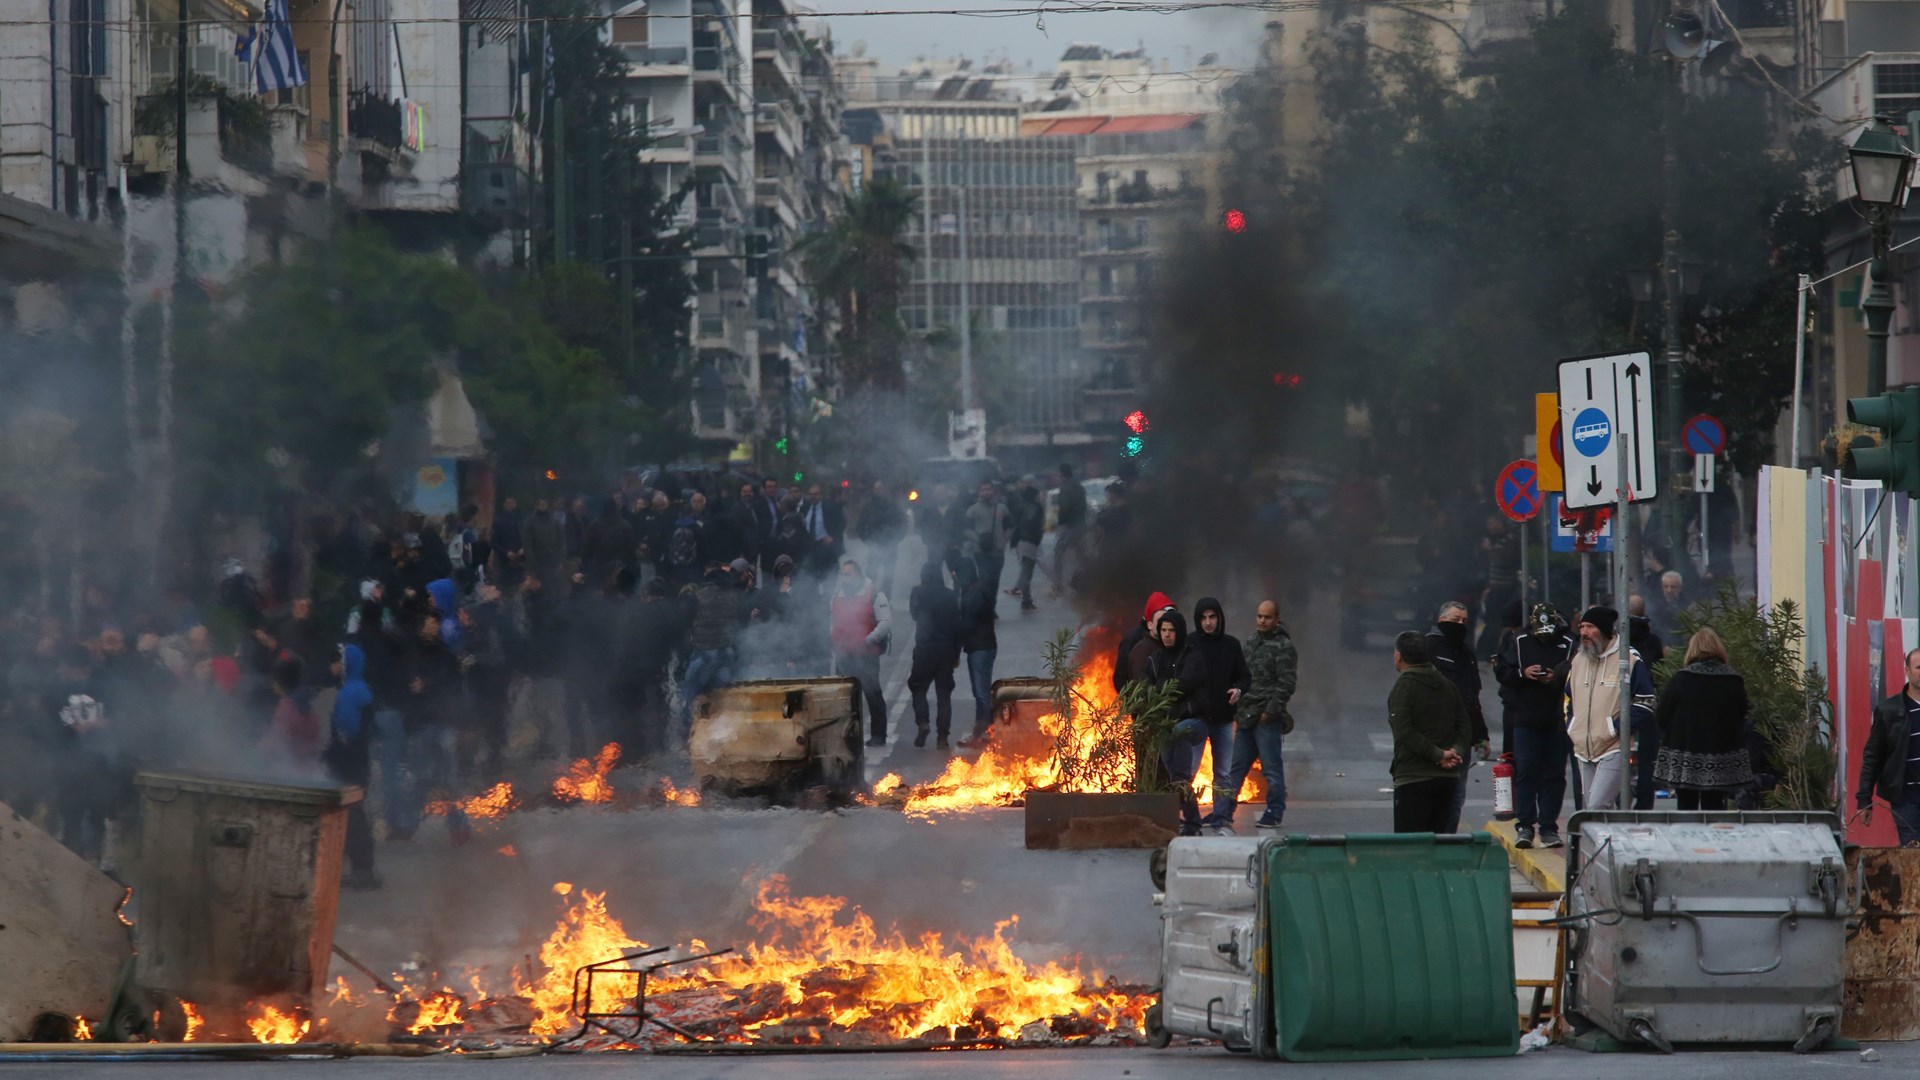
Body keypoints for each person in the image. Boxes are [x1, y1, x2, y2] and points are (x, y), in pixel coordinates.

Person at [1494, 604, 1574, 848]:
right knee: (1527, 770)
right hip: (1525, 718)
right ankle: (1525, 825)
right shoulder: (1517, 640)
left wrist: (1556, 677)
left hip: (1557, 719)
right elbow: (1501, 671)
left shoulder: (1569, 642)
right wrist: (1522, 673)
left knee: (1554, 774)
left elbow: (1577, 672)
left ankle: (1549, 826)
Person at [1563, 606, 1656, 812]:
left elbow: (1646, 702)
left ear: (1604, 630)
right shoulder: (1579, 660)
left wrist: (1614, 727)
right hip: (1582, 748)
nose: (1584, 632)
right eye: (1582, 627)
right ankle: (1611, 843)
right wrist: (1572, 726)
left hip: (1614, 747)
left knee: (1597, 806)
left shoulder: (1628, 658)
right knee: (1595, 809)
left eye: (1590, 627)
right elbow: (1568, 698)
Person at [1652, 628, 1754, 811]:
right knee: (1714, 805)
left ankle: (1686, 838)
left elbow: (1662, 715)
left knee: (1685, 805)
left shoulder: (1681, 679)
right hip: (1721, 755)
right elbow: (1742, 715)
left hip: (1684, 754)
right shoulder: (1733, 680)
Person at [1217, 600, 1296, 831]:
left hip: (1266, 719)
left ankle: (1274, 812)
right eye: (1260, 616)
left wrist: (1270, 712)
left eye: (1267, 617)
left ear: (1277, 618)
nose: (1262, 621)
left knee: (1271, 769)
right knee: (1236, 769)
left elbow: (1286, 684)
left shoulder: (1284, 647)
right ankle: (1224, 812)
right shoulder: (1251, 643)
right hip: (1246, 716)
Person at [1387, 631, 1471, 833]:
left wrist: (1438, 755)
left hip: (1413, 778)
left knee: (1411, 847)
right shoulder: (1448, 685)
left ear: (1399, 656)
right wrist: (1455, 751)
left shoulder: (1404, 686)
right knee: (1439, 844)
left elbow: (1404, 730)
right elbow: (1465, 726)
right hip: (1447, 779)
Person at [1143, 610, 1212, 836]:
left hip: (1194, 721)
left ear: (1179, 632)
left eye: (1171, 630)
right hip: (1166, 724)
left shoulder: (1193, 656)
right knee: (1174, 776)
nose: (1167, 635)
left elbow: (1183, 685)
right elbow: (1147, 690)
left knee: (1180, 739)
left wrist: (1165, 688)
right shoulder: (1155, 660)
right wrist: (1165, 689)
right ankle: (1191, 820)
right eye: (1163, 630)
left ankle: (1191, 822)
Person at [1188, 598, 1251, 834]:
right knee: (1189, 772)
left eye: (1212, 617)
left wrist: (1239, 689)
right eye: (1203, 618)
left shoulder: (1231, 645)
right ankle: (1191, 820)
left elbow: (1245, 676)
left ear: (1219, 618)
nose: (1208, 623)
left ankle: (1222, 819)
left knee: (1223, 774)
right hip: (1197, 720)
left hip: (1224, 720)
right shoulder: (1190, 644)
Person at [1426, 601, 1490, 832]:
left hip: (1462, 739)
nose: (1460, 625)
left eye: (1464, 621)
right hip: (1435, 737)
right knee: (1432, 797)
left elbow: (1473, 699)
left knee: (1455, 799)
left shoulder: (1466, 654)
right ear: (1441, 620)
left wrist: (1482, 735)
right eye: (1455, 620)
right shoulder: (1428, 647)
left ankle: (1447, 844)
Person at [328, 643, 381, 889]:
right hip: (360, 761)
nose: (336, 666)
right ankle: (363, 868)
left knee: (351, 814)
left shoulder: (349, 693)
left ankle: (361, 870)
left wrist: (331, 755)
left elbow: (345, 731)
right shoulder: (363, 689)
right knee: (355, 812)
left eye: (340, 660)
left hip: (348, 762)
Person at [681, 560, 751, 733]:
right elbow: (743, 625)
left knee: (690, 699)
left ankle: (689, 736)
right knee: (725, 701)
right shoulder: (736, 596)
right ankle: (727, 735)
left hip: (702, 654)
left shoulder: (697, 596)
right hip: (726, 654)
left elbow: (685, 624)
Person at [1859, 647, 1920, 845]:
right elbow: (1873, 756)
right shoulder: (1889, 710)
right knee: (1913, 851)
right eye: (1919, 667)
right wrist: (1864, 800)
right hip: (1905, 797)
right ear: (1907, 671)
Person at [831, 557, 893, 747]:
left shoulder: (874, 594)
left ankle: (878, 735)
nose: (843, 578)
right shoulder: (838, 596)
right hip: (844, 655)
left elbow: (885, 623)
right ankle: (849, 735)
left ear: (857, 575)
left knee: (872, 693)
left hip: (866, 655)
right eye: (842, 574)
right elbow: (833, 623)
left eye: (847, 574)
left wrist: (868, 640)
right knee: (845, 698)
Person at [907, 562, 961, 749]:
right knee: (944, 694)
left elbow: (914, 615)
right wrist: (956, 653)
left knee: (918, 687)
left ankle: (923, 722)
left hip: (924, 649)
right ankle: (943, 736)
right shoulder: (950, 595)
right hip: (945, 649)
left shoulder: (917, 592)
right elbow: (957, 625)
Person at [954, 549, 999, 748]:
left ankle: (986, 732)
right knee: (979, 691)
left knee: (981, 693)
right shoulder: (977, 589)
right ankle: (983, 731)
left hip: (980, 647)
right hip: (981, 646)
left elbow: (967, 623)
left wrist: (954, 643)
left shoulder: (973, 594)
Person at [859, 481, 909, 598]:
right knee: (871, 574)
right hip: (874, 546)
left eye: (880, 489)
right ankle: (869, 598)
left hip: (890, 546)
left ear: (884, 490)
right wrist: (867, 541)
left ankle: (885, 598)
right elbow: (860, 525)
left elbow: (902, 524)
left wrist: (896, 539)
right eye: (876, 489)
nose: (878, 492)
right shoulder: (869, 507)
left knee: (888, 575)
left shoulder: (893, 506)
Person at [1115, 592, 1174, 691]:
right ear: (1150, 623)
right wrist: (1132, 702)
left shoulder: (1167, 639)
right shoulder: (1134, 640)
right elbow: (1120, 678)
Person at [965, 482, 1012, 597]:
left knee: (994, 582)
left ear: (993, 491)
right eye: (983, 490)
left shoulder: (1002, 508)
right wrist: (978, 540)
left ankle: (991, 608)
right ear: (979, 492)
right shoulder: (973, 510)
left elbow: (1009, 526)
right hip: (981, 551)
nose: (986, 492)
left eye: (989, 489)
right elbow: (966, 529)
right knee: (984, 580)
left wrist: (1004, 541)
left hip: (998, 552)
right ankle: (985, 608)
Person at [1008, 476, 1045, 612]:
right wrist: (1035, 536)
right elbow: (1029, 523)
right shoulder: (1033, 507)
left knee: (1026, 570)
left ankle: (1026, 599)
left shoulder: (1022, 505)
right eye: (1038, 494)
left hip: (1021, 541)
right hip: (1028, 541)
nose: (1040, 496)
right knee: (1027, 570)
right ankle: (1023, 596)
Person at [1050, 464, 1088, 598]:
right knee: (1081, 555)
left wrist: (1060, 522)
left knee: (1058, 554)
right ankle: (1089, 581)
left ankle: (1058, 584)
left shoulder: (1066, 488)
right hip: (1080, 524)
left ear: (1061, 474)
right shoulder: (1079, 486)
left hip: (1069, 525)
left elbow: (1064, 507)